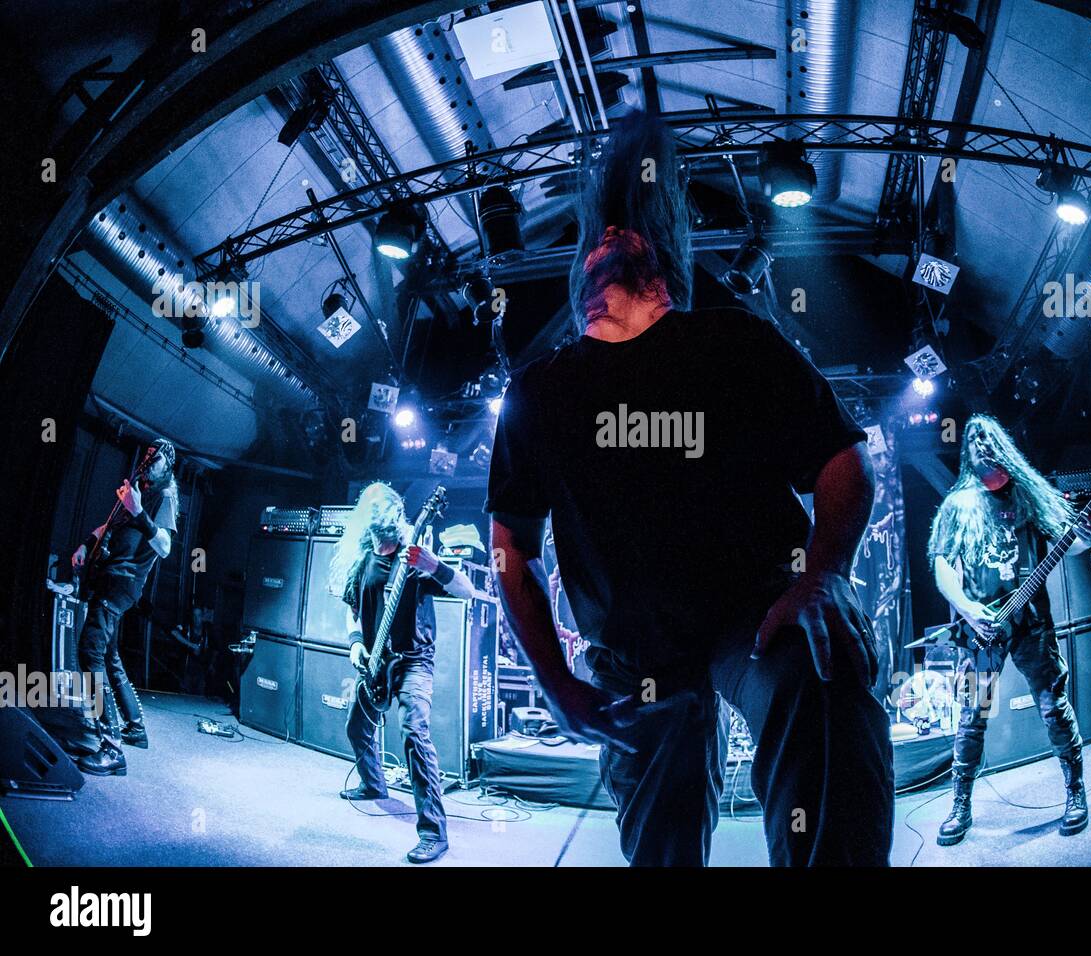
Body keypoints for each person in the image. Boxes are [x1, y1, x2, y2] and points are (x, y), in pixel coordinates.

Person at [486, 111, 894, 866]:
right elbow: (509, 544)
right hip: (635, 655)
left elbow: (844, 465)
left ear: (658, 258)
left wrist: (823, 579)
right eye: (594, 238)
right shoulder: (541, 390)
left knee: (821, 669)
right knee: (660, 848)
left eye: (622, 232)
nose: (604, 240)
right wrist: (554, 682)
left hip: (757, 613)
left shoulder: (734, 341)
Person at [927, 415, 1091, 845]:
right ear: (970, 457)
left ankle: (1075, 793)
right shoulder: (959, 505)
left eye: (993, 449)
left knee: (1054, 707)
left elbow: (1075, 542)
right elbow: (942, 564)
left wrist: (1087, 535)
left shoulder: (1028, 495)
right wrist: (967, 609)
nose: (985, 454)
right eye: (978, 450)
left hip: (1030, 624)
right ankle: (960, 804)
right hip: (980, 628)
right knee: (971, 720)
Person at [328, 482, 474, 865]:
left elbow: (467, 591)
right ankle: (373, 784)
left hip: (414, 660)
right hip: (375, 660)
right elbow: (352, 610)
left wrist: (434, 566)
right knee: (356, 726)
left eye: (387, 513)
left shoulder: (413, 558)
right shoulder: (361, 561)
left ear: (396, 515)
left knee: (413, 731)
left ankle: (433, 833)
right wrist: (356, 643)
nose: (382, 522)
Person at [70, 438, 179, 775]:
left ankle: (111, 746)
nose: (150, 460)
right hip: (109, 576)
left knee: (90, 649)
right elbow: (111, 526)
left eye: (156, 457)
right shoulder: (138, 488)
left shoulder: (165, 496)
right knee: (109, 655)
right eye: (147, 455)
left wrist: (139, 511)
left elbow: (165, 546)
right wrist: (88, 543)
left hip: (123, 583)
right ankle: (135, 728)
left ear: (167, 464)